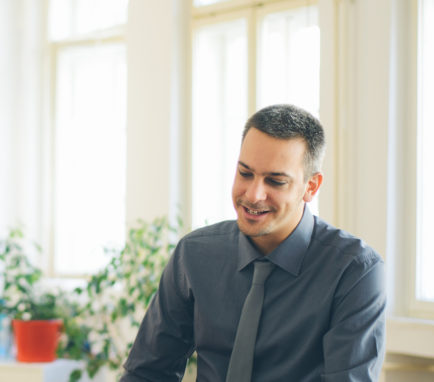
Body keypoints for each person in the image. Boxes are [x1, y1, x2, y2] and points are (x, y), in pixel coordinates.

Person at [121, 104, 386, 381]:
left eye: (275, 181)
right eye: (245, 173)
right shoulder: (194, 254)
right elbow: (147, 373)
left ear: (311, 187)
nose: (254, 194)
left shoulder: (355, 271)